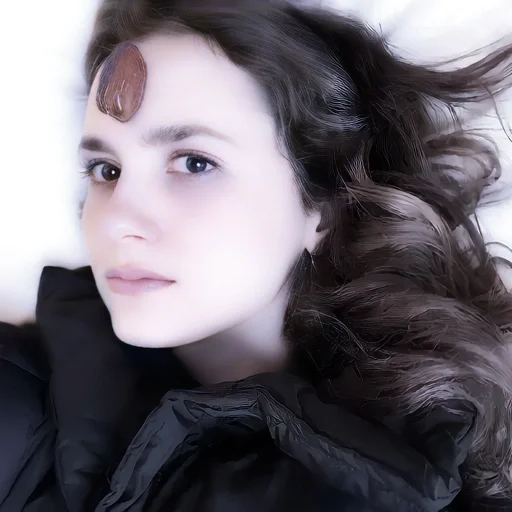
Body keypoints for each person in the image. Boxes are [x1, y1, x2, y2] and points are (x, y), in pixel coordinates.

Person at [1, 0, 512, 510]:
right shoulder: (20, 402)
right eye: (106, 170)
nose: (116, 219)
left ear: (324, 206)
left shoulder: (454, 439)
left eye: (194, 163)